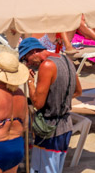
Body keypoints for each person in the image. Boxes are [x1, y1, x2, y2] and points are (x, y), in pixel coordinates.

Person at [18, 37, 80, 173]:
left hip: (50, 128)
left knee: (45, 169)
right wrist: (58, 99)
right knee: (56, 168)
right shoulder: (67, 60)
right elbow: (77, 91)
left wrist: (30, 82)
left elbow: (38, 103)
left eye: (25, 59)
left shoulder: (47, 66)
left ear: (33, 52)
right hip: (66, 124)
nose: (27, 64)